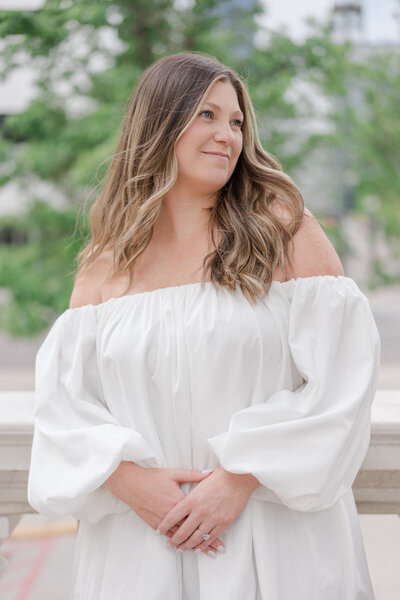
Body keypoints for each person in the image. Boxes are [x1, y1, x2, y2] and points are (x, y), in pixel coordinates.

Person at [27, 52, 380, 600]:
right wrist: (130, 482)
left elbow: (343, 379)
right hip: (144, 544)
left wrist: (239, 479)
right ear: (160, 125)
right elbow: (63, 407)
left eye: (236, 121)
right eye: (207, 116)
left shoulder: (283, 230)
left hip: (274, 534)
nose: (228, 136)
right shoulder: (106, 263)